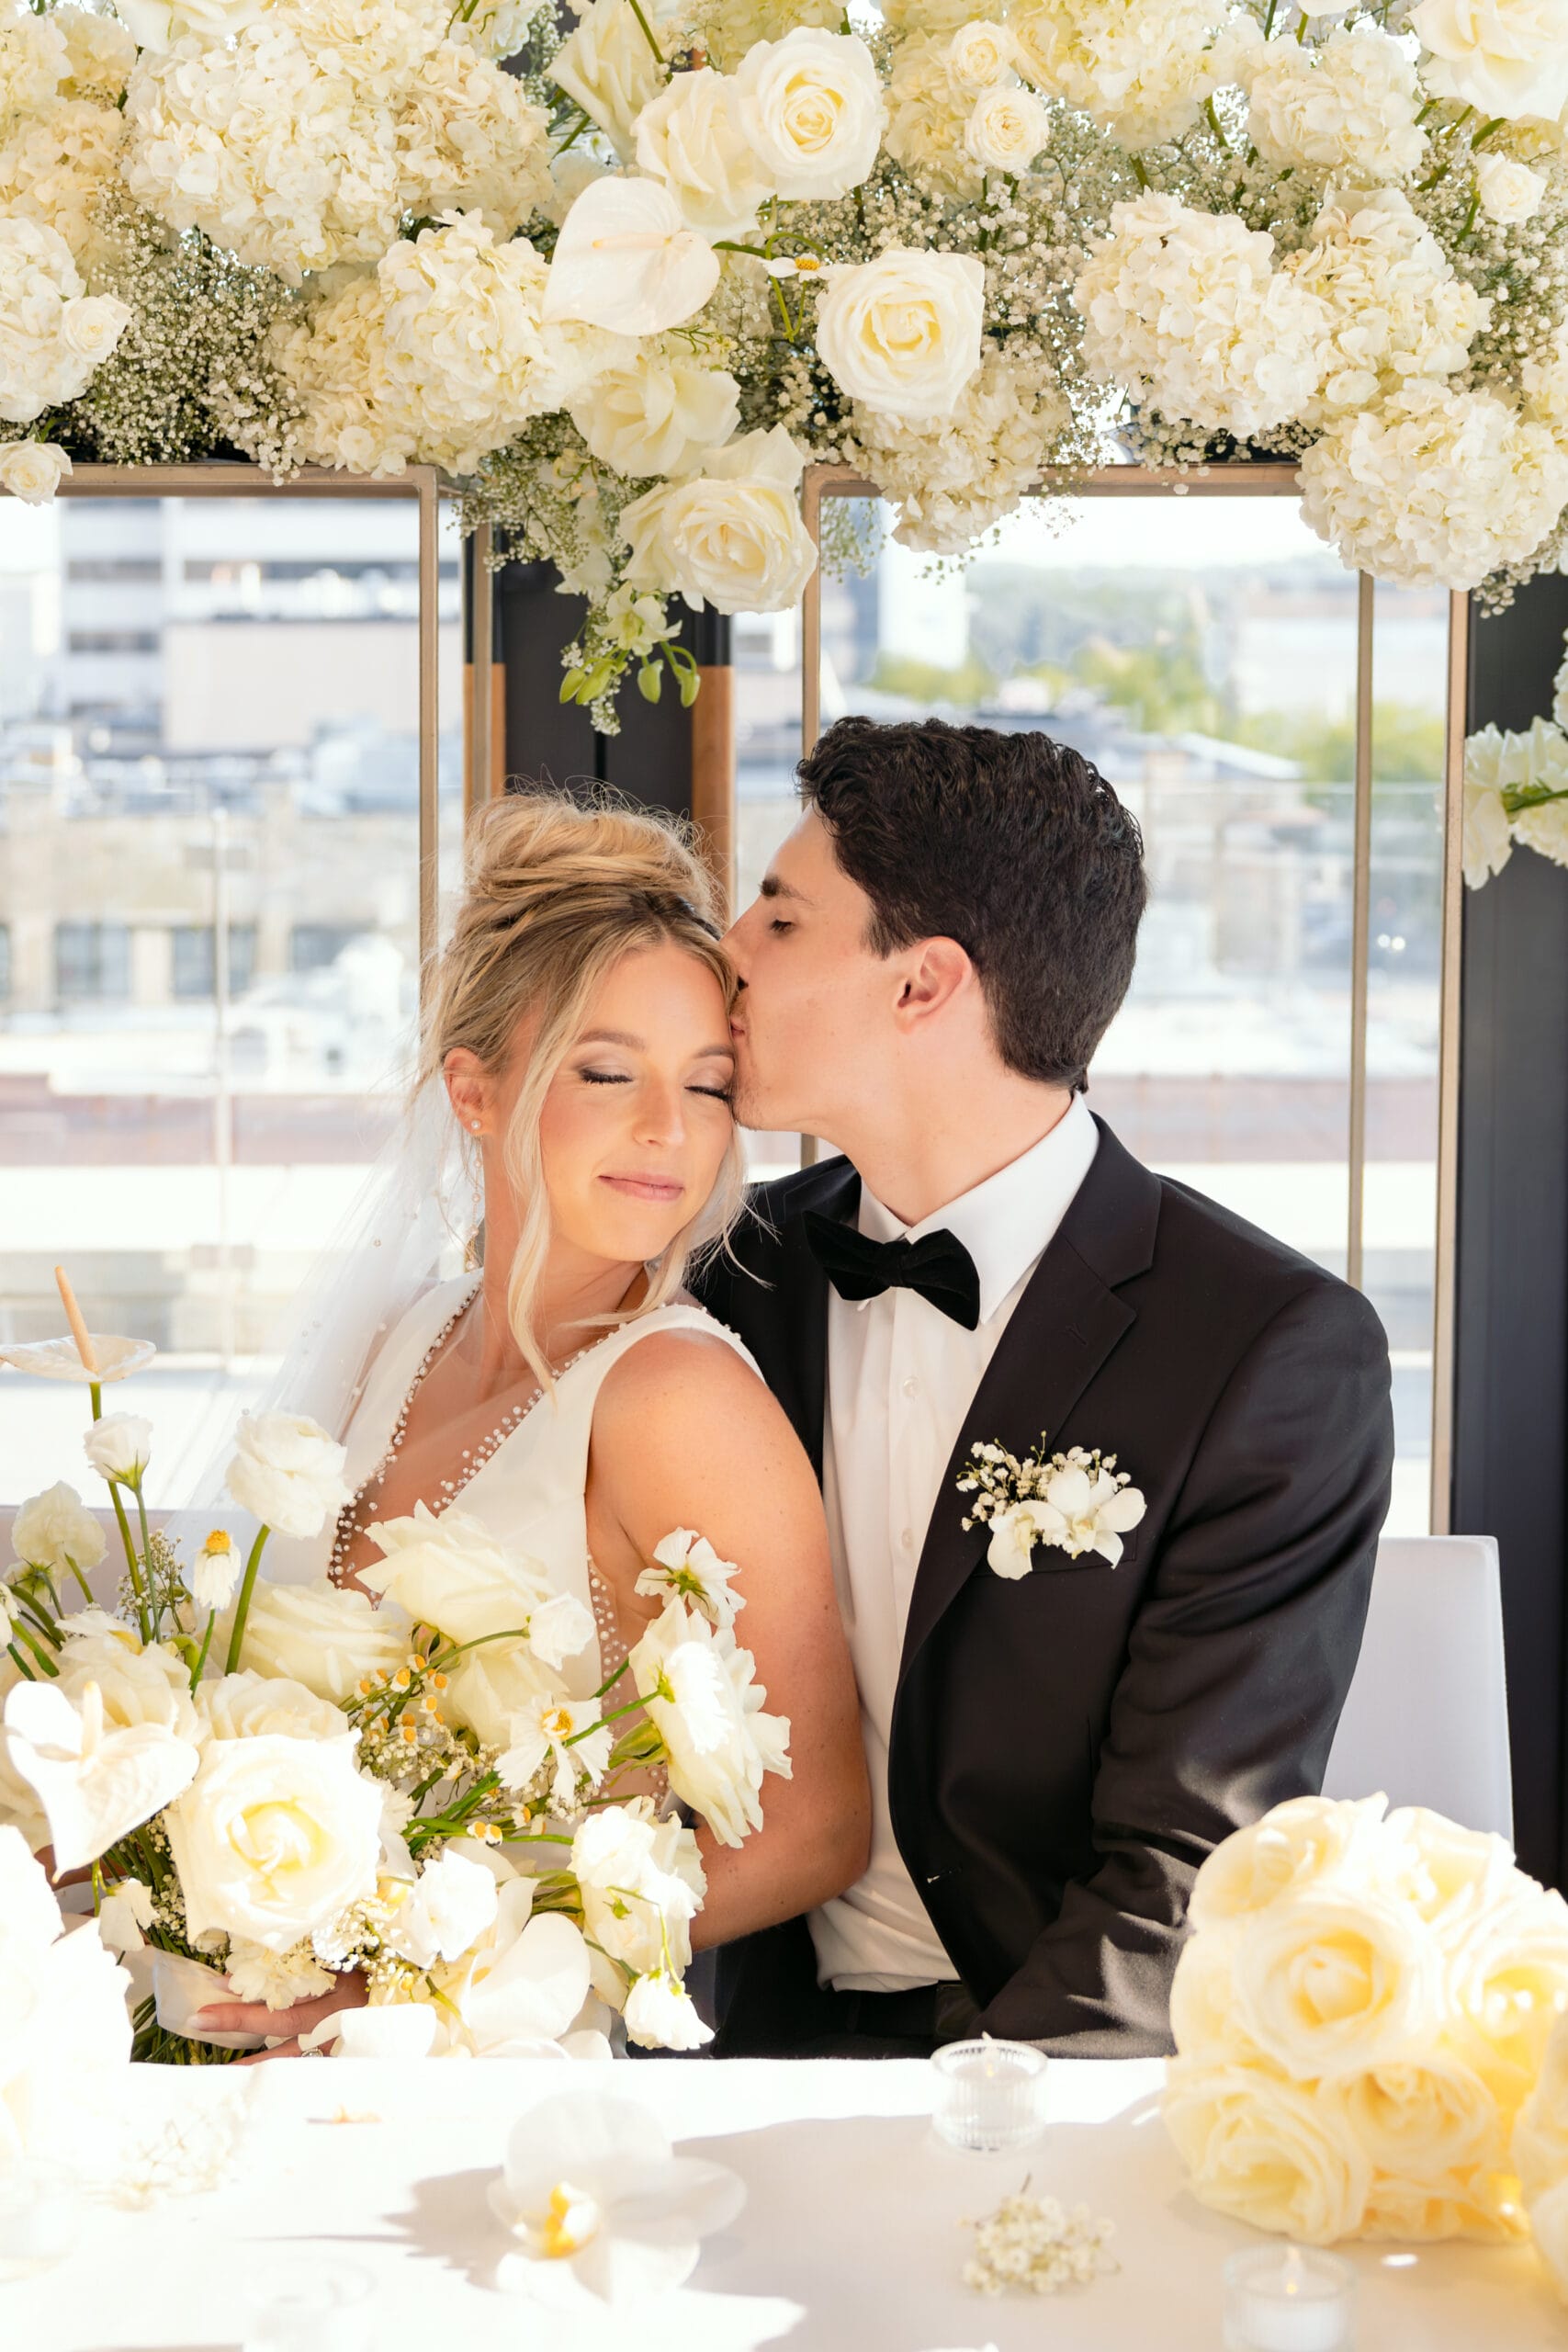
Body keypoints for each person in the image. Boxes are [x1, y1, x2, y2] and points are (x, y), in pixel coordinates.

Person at [694, 714, 1393, 2059]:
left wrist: (979, 2136)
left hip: (1052, 2067)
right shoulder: (731, 1273)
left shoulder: (1269, 1352)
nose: (725, 951)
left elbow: (1188, 1872)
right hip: (725, 2039)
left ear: (924, 985)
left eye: (779, 919)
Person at [196, 791, 868, 2055]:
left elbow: (817, 1830)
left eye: (707, 1084)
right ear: (475, 1090)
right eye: (607, 1072)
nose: (669, 1131)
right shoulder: (394, 1341)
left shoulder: (679, 1400)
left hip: (498, 2082)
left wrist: (433, 1978)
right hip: (253, 2032)